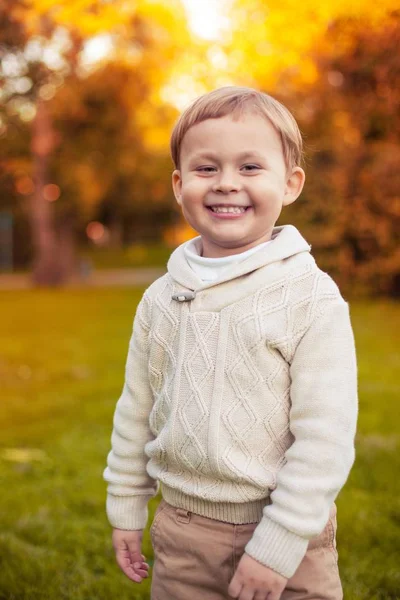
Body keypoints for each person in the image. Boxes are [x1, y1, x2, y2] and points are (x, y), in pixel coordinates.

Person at [103, 86, 358, 600]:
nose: (225, 184)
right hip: (184, 533)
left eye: (249, 168)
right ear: (179, 184)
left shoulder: (310, 296)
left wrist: (279, 542)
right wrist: (127, 504)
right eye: (205, 169)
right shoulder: (161, 298)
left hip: (288, 538)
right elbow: (137, 408)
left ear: (290, 184)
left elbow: (325, 437)